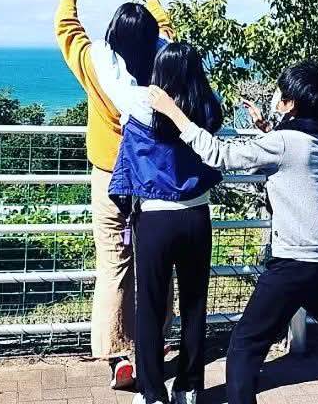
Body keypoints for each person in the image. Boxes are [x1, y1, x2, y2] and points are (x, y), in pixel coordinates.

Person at [148, 61, 318, 404]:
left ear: (291, 103)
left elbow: (220, 154)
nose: (275, 96)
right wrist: (266, 129)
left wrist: (174, 112)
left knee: (245, 345)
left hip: (293, 261)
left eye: (280, 93)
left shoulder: (283, 143)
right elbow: (292, 153)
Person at [55, 0, 172, 389]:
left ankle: (118, 355)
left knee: (113, 262)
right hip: (154, 177)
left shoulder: (96, 64)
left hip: (109, 175)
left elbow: (67, 29)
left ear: (112, 38)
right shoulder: (163, 62)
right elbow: (167, 30)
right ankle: (153, 344)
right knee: (155, 263)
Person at [102, 42, 223, 404]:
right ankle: (189, 387)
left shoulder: (140, 105)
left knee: (150, 307)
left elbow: (109, 68)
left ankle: (152, 392)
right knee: (194, 306)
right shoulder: (209, 108)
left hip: (154, 218)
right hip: (197, 216)